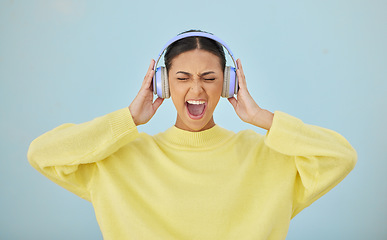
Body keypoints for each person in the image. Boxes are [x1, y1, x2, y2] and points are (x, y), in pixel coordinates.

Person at [28, 30, 357, 240]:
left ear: (228, 84)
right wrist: (127, 119)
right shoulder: (121, 158)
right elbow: (42, 153)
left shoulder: (264, 155)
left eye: (209, 78)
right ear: (163, 84)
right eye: (183, 77)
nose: (196, 89)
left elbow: (340, 156)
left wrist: (260, 118)